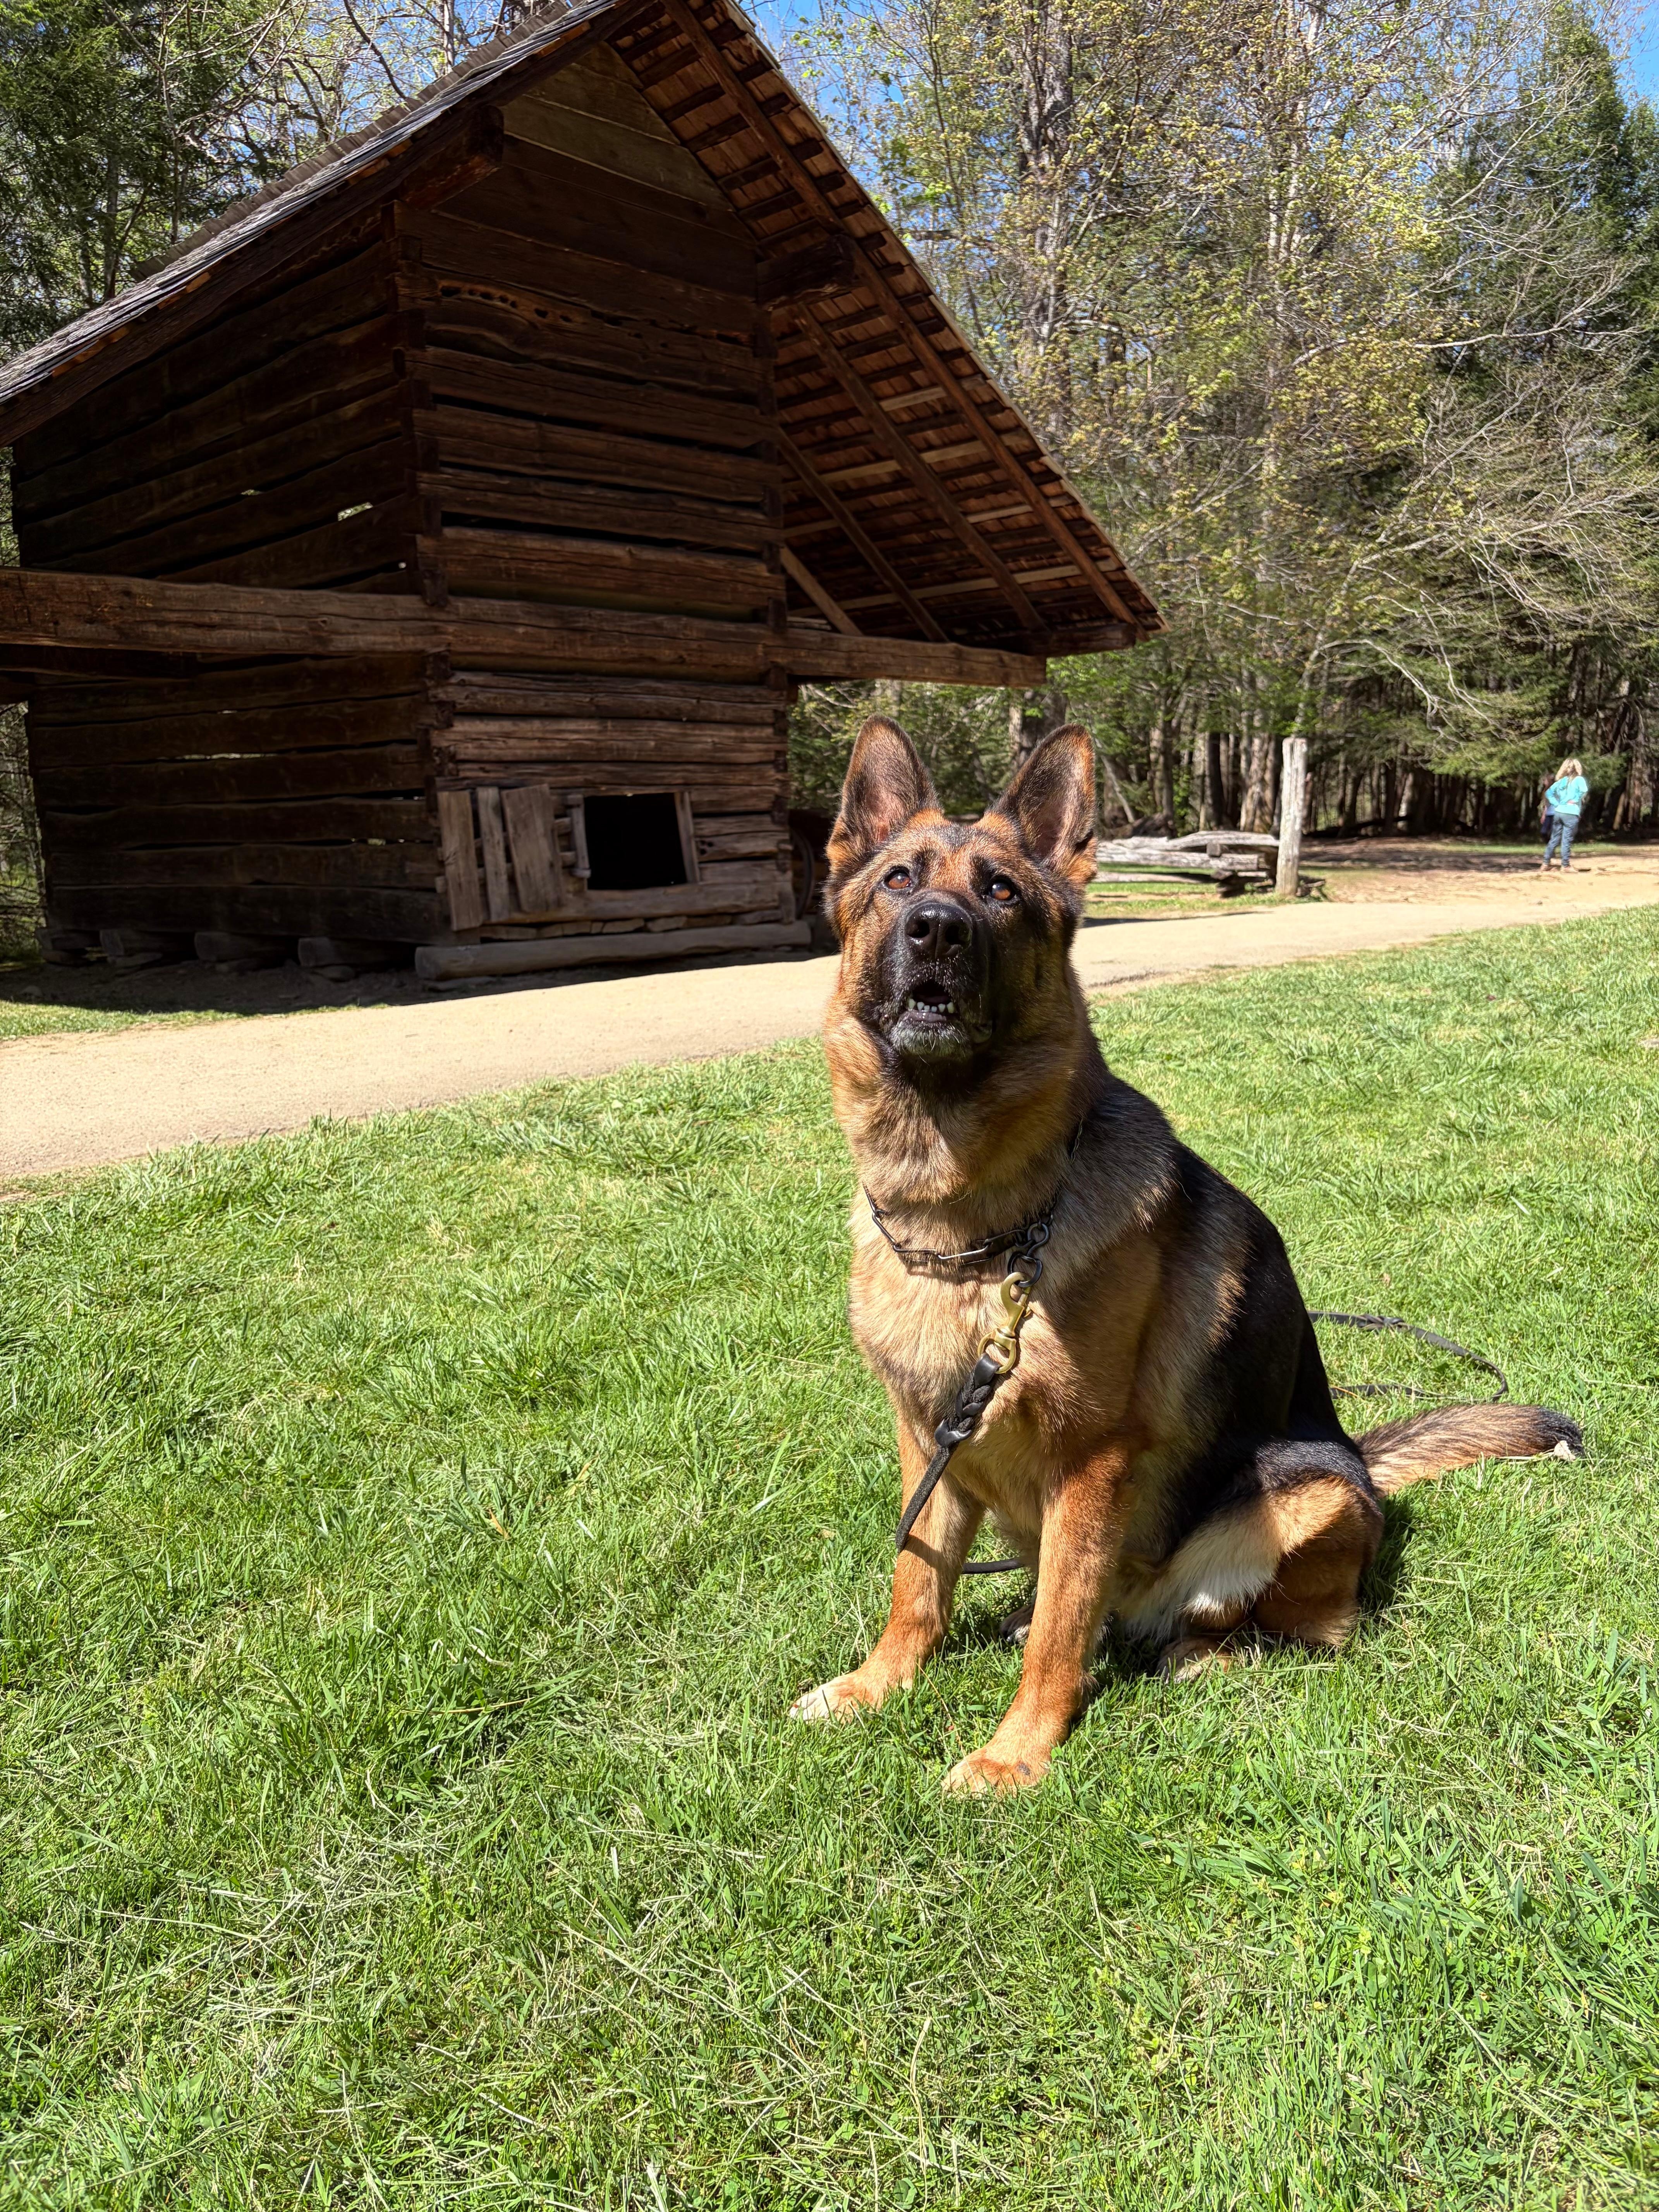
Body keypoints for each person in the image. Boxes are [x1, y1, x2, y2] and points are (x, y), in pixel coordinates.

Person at [1540, 756, 1589, 872]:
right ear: (1578, 768)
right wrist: (1576, 799)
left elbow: (1549, 793)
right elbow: (1584, 790)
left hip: (1559, 813)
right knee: (1566, 840)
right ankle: (1565, 865)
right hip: (1571, 813)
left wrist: (1557, 804)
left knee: (1554, 839)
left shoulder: (1562, 781)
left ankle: (1546, 863)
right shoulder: (1579, 780)